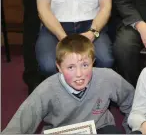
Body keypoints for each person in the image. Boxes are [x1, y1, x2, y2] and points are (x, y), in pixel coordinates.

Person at [3, 34, 135, 134]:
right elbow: (19, 124)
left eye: (85, 65)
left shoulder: (107, 77)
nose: (79, 74)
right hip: (62, 131)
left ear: (93, 62)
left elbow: (133, 103)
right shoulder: (46, 89)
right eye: (70, 67)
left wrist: (132, 130)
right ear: (59, 67)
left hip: (99, 128)